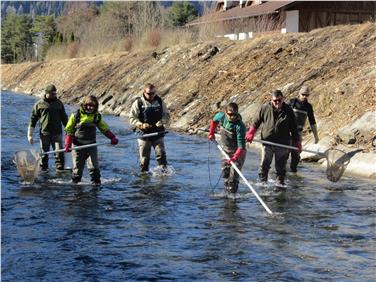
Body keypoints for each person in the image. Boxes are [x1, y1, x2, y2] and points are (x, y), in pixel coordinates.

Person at [245, 90, 300, 186]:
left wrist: (297, 142)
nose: (277, 103)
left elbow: (294, 128)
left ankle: (280, 185)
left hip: (282, 143)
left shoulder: (288, 110)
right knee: (265, 164)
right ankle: (262, 183)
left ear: (283, 99)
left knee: (280, 167)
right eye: (275, 101)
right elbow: (256, 122)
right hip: (267, 142)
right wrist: (251, 133)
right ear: (271, 100)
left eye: (279, 100)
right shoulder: (265, 108)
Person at [64, 95, 118, 185]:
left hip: (91, 145)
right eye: (88, 105)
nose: (90, 108)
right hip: (78, 146)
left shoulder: (96, 117)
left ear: (95, 106)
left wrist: (112, 137)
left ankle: (96, 184)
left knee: (94, 167)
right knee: (78, 169)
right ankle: (76, 185)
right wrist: (68, 144)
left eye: (92, 106)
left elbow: (104, 128)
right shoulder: (76, 115)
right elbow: (69, 130)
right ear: (84, 105)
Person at [129, 83, 170, 173]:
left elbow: (166, 115)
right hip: (143, 135)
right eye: (149, 93)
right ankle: (144, 176)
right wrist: (141, 124)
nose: (151, 95)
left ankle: (164, 175)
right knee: (144, 160)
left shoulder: (160, 101)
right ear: (144, 92)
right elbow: (132, 118)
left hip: (158, 133)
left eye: (153, 93)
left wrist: (162, 121)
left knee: (161, 156)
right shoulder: (138, 103)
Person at [27, 84, 68, 171]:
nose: (54, 95)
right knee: (44, 155)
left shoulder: (59, 103)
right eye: (52, 94)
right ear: (46, 93)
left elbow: (64, 118)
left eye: (55, 93)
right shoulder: (39, 104)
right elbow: (33, 119)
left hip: (57, 133)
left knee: (59, 154)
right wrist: (30, 135)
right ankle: (44, 171)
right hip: (44, 134)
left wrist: (69, 131)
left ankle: (60, 171)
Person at [208, 102, 247, 194]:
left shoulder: (240, 126)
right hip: (225, 151)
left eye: (234, 114)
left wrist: (234, 157)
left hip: (238, 153)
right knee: (225, 174)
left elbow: (241, 147)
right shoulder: (221, 116)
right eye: (230, 115)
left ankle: (232, 197)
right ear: (225, 112)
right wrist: (211, 133)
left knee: (233, 179)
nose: (232, 117)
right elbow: (214, 121)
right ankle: (226, 194)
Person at [288, 85, 319, 172]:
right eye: (303, 94)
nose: (305, 97)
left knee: (296, 156)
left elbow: (312, 121)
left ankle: (294, 173)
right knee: (284, 154)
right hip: (287, 132)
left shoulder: (308, 107)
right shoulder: (292, 102)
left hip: (298, 134)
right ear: (299, 93)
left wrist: (316, 136)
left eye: (307, 95)